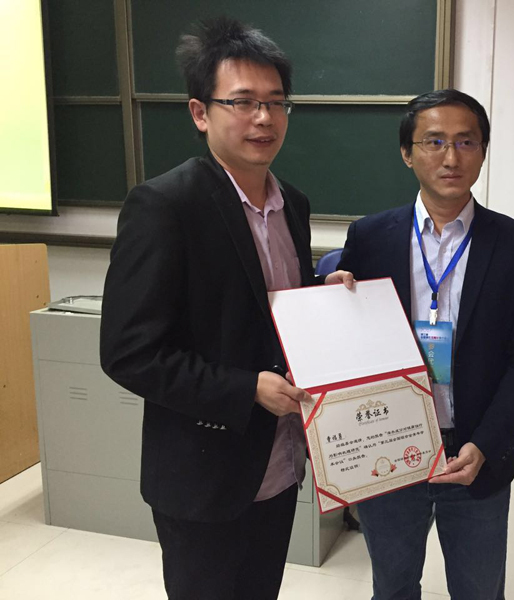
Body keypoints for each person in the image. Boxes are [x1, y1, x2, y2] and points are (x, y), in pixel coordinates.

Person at [100, 16, 351, 600]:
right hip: (204, 474)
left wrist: (322, 293)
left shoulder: (293, 205)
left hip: (280, 463)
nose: (263, 118)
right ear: (200, 112)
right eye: (242, 102)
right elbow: (129, 353)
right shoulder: (164, 206)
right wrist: (244, 390)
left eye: (275, 102)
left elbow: (257, 303)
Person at [337, 89, 514, 600]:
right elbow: (348, 343)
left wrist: (487, 443)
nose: (451, 157)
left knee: (479, 590)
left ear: (482, 151)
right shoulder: (368, 238)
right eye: (433, 141)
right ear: (407, 153)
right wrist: (331, 302)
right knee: (392, 587)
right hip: (389, 449)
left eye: (465, 141)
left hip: (475, 452)